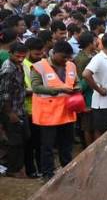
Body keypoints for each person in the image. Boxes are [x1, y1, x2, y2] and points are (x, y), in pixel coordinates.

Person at [31, 41, 78, 180]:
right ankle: (47, 174)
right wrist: (58, 90)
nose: (66, 60)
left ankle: (68, 170)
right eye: (64, 57)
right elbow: (36, 87)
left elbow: (76, 81)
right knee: (48, 147)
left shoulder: (71, 65)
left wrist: (78, 87)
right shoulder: (39, 67)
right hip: (48, 114)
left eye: (68, 57)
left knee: (67, 145)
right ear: (54, 53)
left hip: (67, 112)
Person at [83, 33, 107, 140]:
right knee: (101, 131)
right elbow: (86, 74)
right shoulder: (99, 58)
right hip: (103, 103)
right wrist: (99, 90)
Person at [0, 42, 28, 177]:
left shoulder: (18, 65)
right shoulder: (8, 70)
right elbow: (5, 94)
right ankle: (13, 170)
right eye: (18, 56)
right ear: (10, 53)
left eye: (23, 56)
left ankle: (18, 167)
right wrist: (10, 113)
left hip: (20, 108)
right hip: (11, 111)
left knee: (22, 138)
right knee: (14, 141)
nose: (21, 59)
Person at [22, 37, 44, 177]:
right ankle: (31, 170)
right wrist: (39, 90)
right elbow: (21, 90)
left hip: (40, 109)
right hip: (27, 109)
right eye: (37, 54)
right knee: (29, 143)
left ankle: (41, 169)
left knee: (40, 142)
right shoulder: (22, 65)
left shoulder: (40, 64)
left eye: (41, 53)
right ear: (28, 52)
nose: (40, 57)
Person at [73, 32, 97, 146]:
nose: (96, 42)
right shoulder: (82, 59)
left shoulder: (91, 55)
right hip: (86, 94)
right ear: (89, 43)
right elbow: (81, 79)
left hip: (91, 92)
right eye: (94, 40)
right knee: (88, 126)